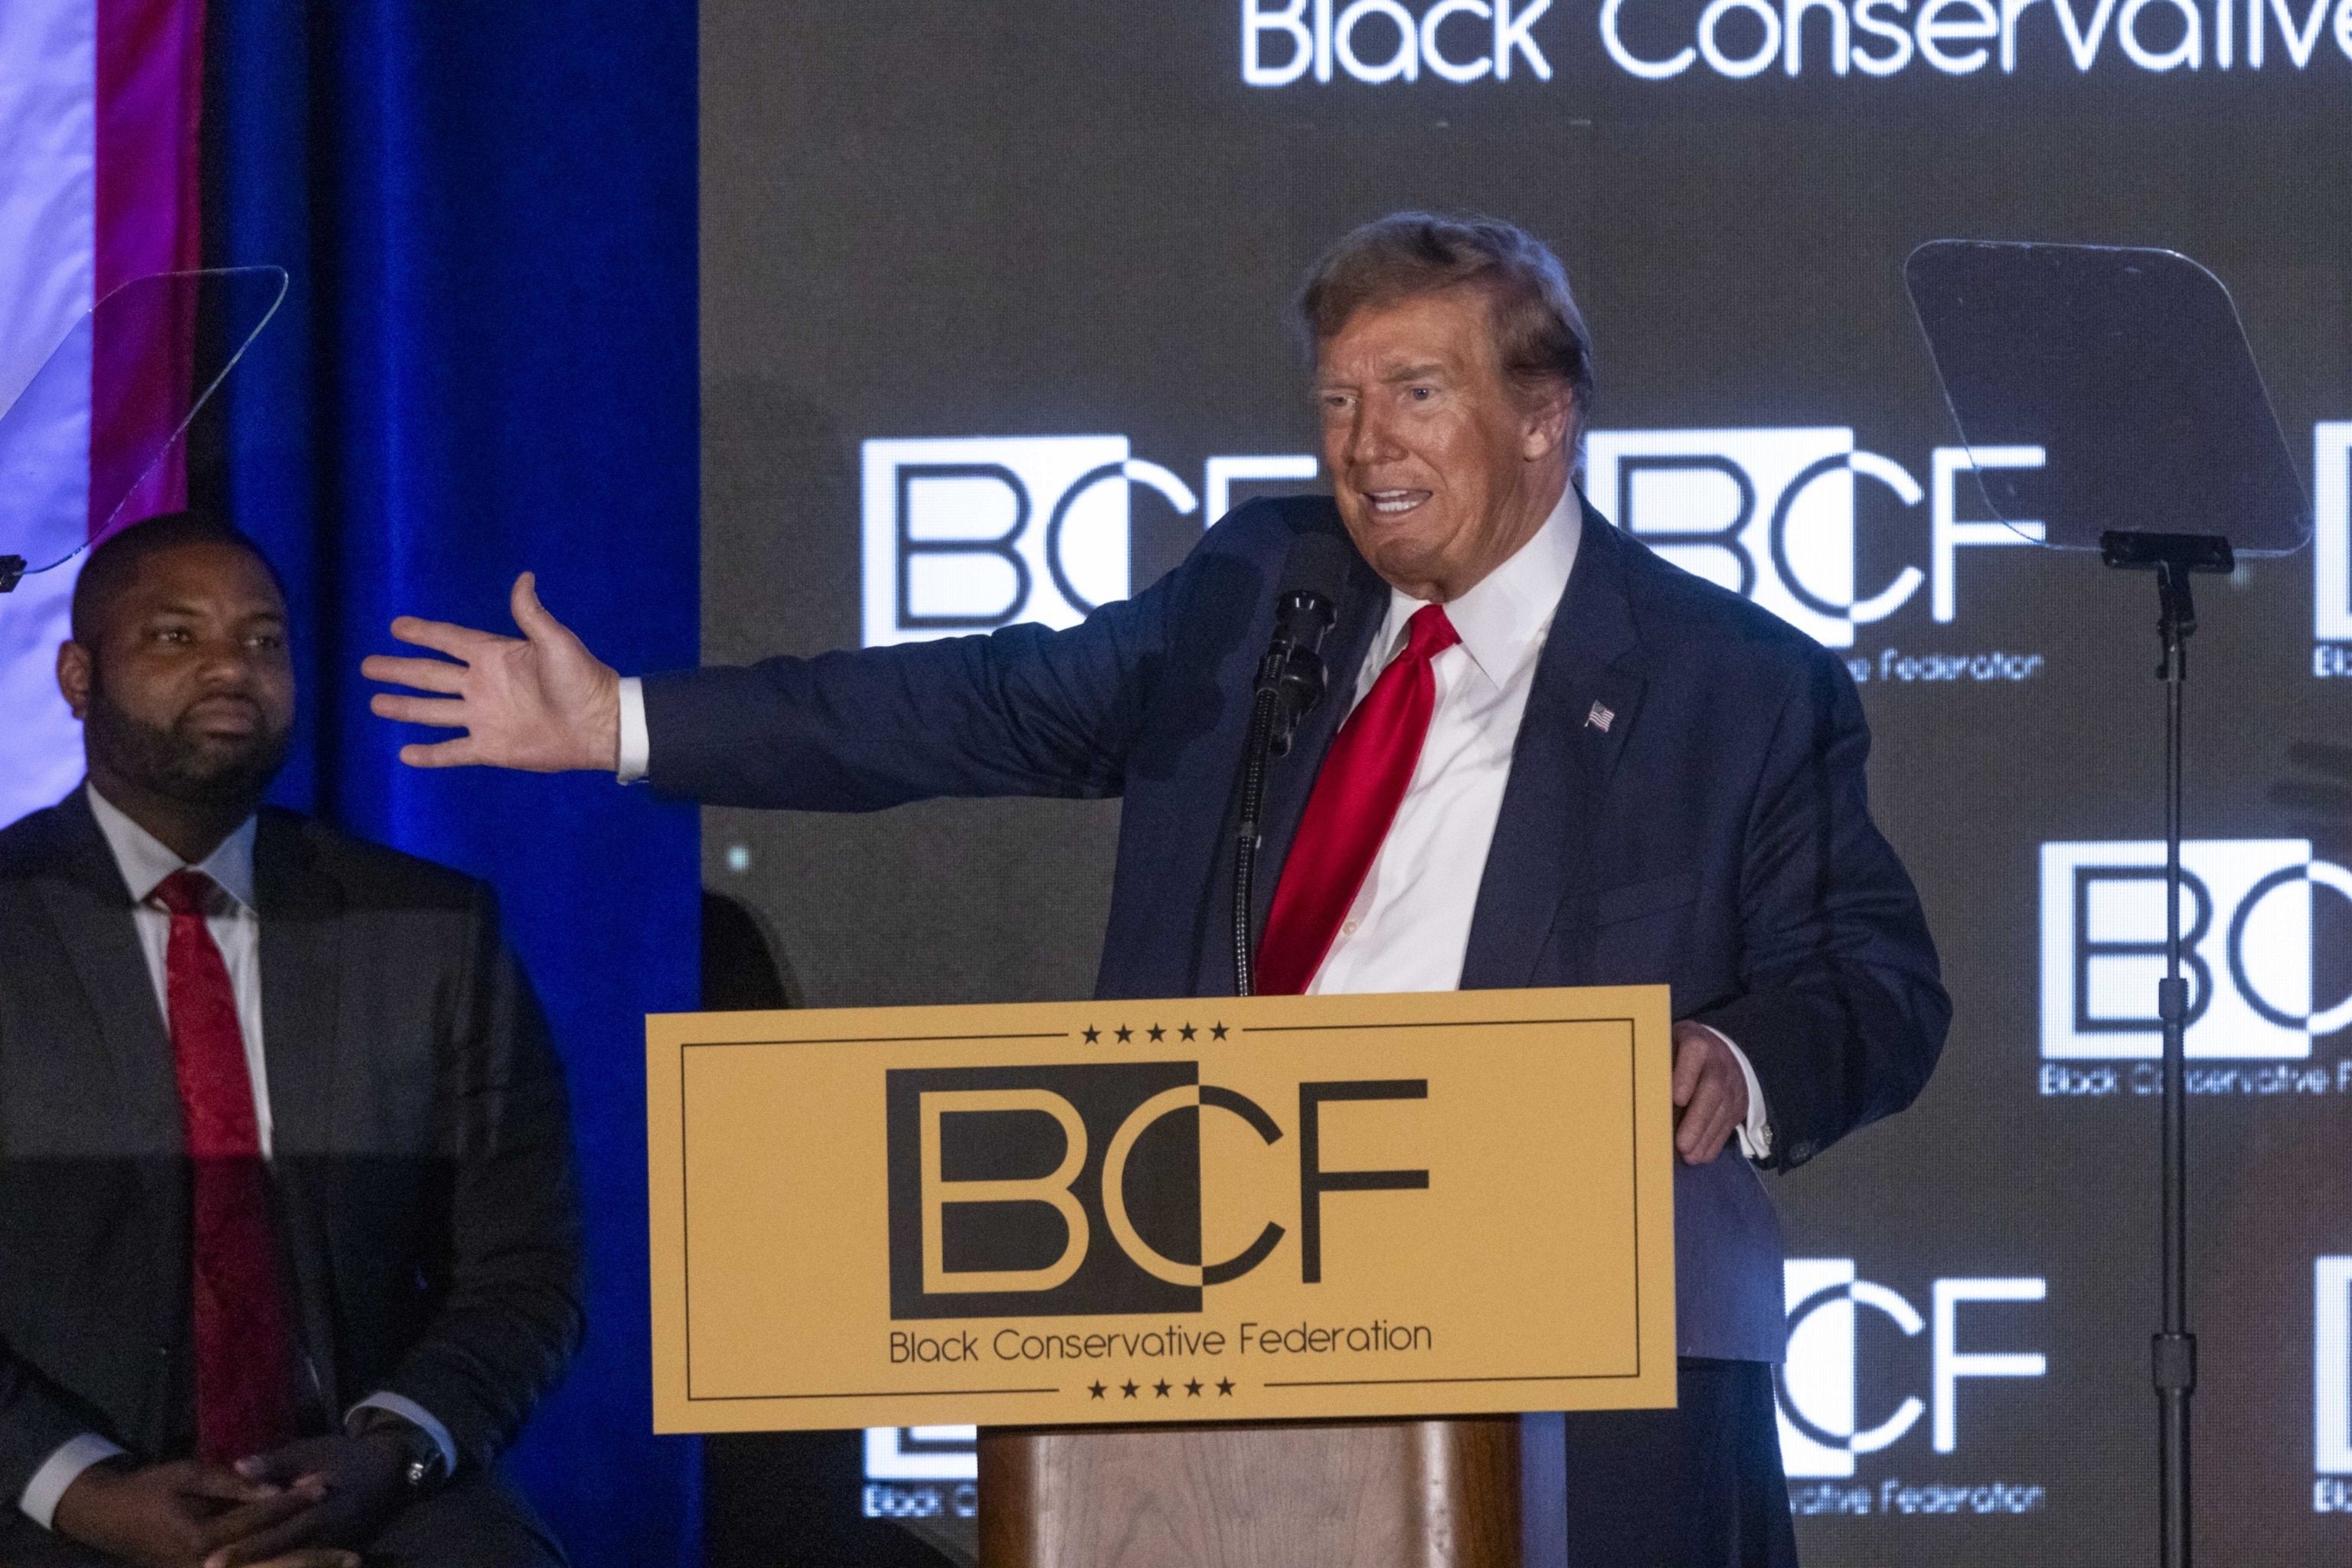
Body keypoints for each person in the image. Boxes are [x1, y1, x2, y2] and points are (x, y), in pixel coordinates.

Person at [362, 212, 1948, 1564]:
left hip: (1580, 1351)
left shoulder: (1734, 683)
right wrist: (627, 721)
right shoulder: (1265, 591)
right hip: (1210, 1301)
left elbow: (1871, 982)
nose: (1364, 444)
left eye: (1416, 391)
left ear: (1545, 417)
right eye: (1336, 399)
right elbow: (978, 702)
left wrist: (1737, 1062)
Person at [0, 512, 583, 1568]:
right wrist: (84, 1491)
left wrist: (395, 1450)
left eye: (265, 641)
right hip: (49, 1486)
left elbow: (528, 1269)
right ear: (78, 678)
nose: (232, 665)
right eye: (176, 637)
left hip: (364, 1480)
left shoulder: (430, 928)